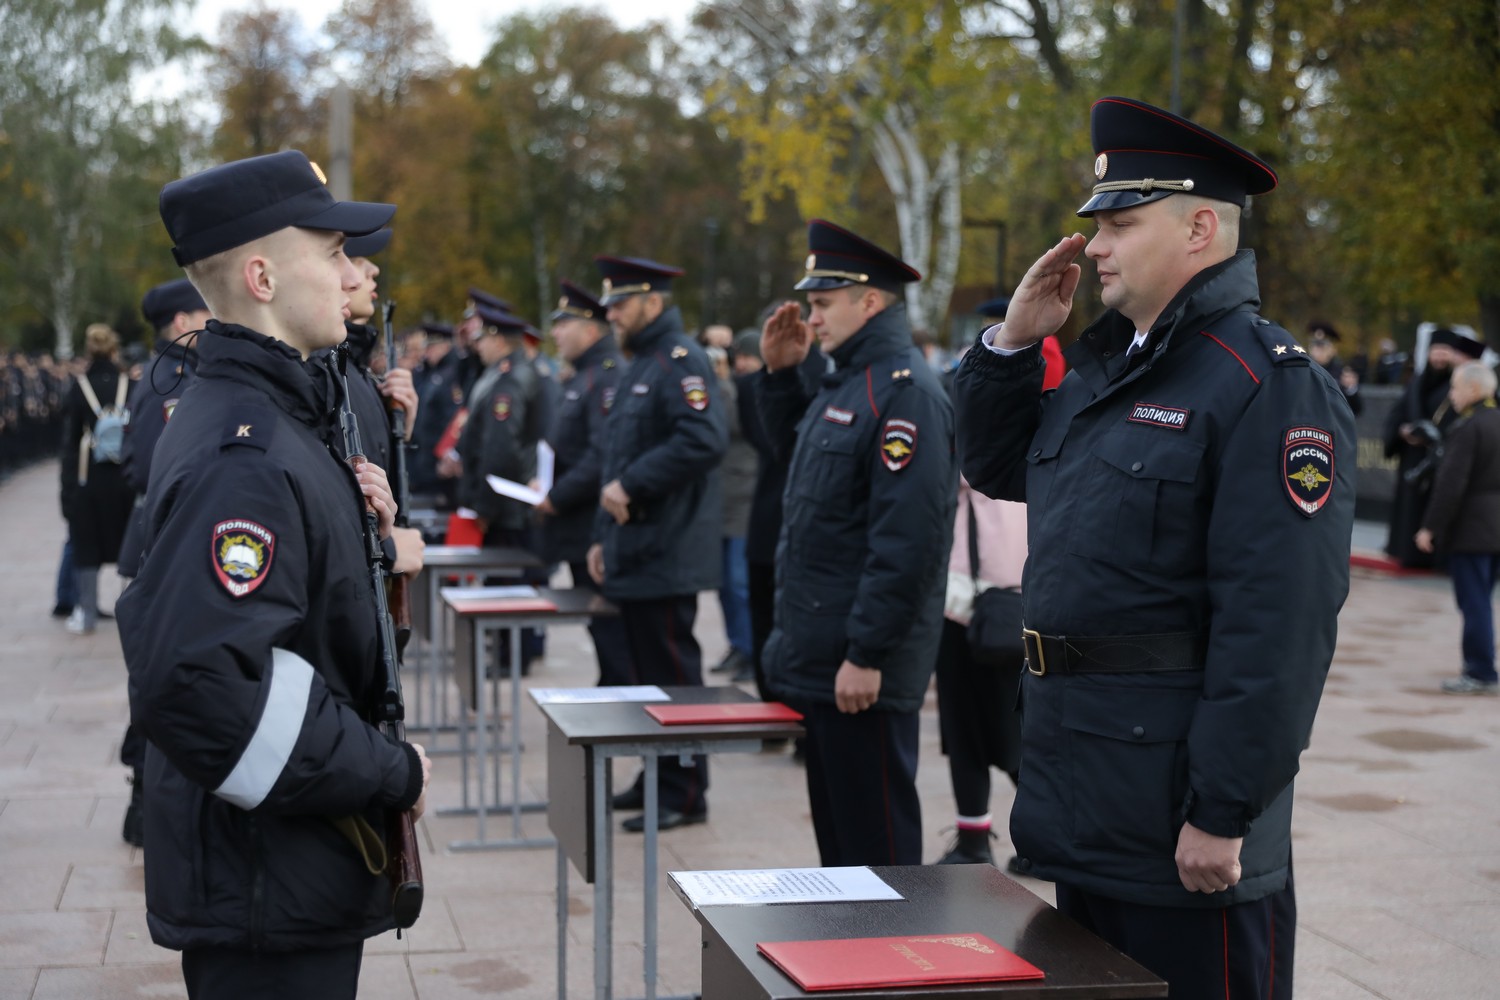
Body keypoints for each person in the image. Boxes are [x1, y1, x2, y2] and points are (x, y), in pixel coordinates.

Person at [953, 96, 1355, 999]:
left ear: (1200, 227)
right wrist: (1013, 344)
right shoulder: (1107, 370)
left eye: (1120, 224)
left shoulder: (1265, 384)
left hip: (1180, 826)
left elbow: (1278, 626)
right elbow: (994, 463)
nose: (1093, 245)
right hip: (1086, 802)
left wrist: (1222, 812)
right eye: (1097, 225)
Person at [117, 149, 431, 999]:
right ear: (261, 275)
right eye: (329, 252)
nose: (349, 271)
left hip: (288, 869)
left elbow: (307, 631)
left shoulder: (284, 413)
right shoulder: (243, 451)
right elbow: (200, 684)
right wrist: (387, 769)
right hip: (264, 883)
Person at [758, 220, 955, 866]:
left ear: (869, 302)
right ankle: (852, 960)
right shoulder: (850, 380)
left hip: (861, 668)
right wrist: (784, 377)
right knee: (843, 857)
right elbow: (806, 475)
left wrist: (867, 652)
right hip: (829, 656)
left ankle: (892, 966)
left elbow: (908, 543)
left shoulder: (906, 394)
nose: (811, 319)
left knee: (880, 855)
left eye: (821, 304)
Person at [586, 255, 727, 832]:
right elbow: (615, 460)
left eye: (621, 302)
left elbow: (702, 439)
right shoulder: (639, 363)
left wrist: (633, 487)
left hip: (666, 548)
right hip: (635, 546)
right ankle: (657, 775)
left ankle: (686, 790)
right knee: (646, 675)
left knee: (673, 675)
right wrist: (603, 538)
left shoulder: (679, 360)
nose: (612, 313)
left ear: (652, 301)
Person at [115, 278, 213, 848]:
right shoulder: (170, 380)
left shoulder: (182, 374)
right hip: (159, 549)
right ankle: (143, 810)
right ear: (181, 323)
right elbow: (154, 469)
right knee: (156, 686)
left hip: (163, 547)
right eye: (204, 312)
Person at [535, 280, 633, 685]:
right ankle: (612, 686)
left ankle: (618, 693)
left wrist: (556, 496)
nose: (556, 333)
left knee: (610, 625)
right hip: (577, 524)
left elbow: (601, 454)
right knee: (599, 623)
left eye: (565, 324)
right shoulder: (585, 375)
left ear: (591, 330)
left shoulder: (605, 376)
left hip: (591, 522)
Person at [932, 478, 1027, 868]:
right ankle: (1040, 839)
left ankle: (975, 841)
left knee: (968, 729)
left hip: (966, 599)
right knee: (1019, 729)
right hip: (1022, 593)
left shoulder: (970, 434)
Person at [1415, 361, 1500, 695]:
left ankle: (1479, 671)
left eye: (1455, 387)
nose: (1451, 394)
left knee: (1474, 601)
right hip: (1495, 530)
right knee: (1483, 598)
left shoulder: (1469, 428)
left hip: (1472, 529)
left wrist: (1429, 528)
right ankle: (1482, 666)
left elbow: (1450, 486)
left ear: (1474, 389)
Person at [1382, 328, 1485, 568]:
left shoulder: (1458, 385)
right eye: (1435, 352)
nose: (1439, 357)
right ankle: (1406, 551)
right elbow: (1397, 414)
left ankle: (1432, 556)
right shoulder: (1416, 382)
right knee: (1409, 509)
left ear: (1452, 355)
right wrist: (1402, 432)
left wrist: (1433, 438)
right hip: (1412, 457)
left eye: (1444, 352)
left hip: (1441, 460)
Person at [59, 323, 137, 636]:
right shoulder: (127, 383)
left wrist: (66, 489)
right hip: (125, 476)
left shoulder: (79, 386)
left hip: (88, 477)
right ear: (113, 348)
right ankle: (130, 611)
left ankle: (87, 613)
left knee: (86, 545)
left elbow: (68, 443)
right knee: (130, 546)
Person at [1306, 320, 1362, 415]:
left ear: (1332, 349)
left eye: (1322, 345)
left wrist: (1351, 389)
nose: (1317, 350)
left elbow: (1356, 410)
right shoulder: (1303, 369)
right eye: (1314, 344)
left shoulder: (1342, 373)